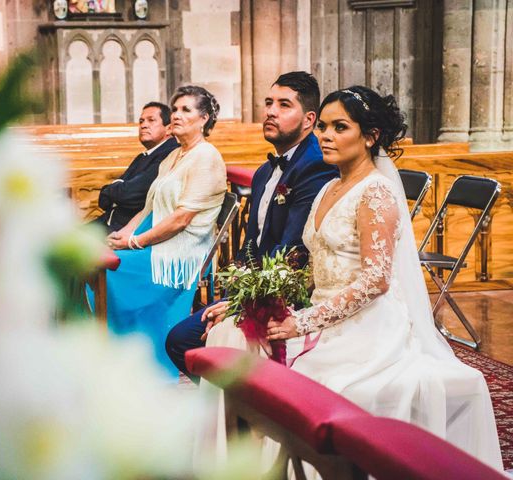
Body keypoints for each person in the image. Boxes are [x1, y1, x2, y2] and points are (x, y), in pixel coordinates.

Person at [206, 86, 503, 470]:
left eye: (340, 127)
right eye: (324, 127)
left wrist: (303, 322)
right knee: (234, 336)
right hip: (322, 312)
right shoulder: (330, 187)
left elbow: (376, 280)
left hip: (368, 326)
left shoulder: (375, 193)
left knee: (313, 385)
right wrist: (264, 302)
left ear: (370, 136)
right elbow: (314, 266)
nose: (325, 136)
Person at [166, 72, 339, 381]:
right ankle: (237, 415)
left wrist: (238, 305)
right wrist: (233, 294)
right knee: (183, 340)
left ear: (309, 119)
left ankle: (248, 416)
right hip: (255, 287)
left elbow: (294, 253)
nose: (271, 111)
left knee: (186, 342)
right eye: (269, 103)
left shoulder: (315, 167)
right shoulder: (263, 173)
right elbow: (251, 244)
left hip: (288, 294)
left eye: (284, 105)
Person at [88, 85, 227, 379]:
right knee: (94, 260)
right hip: (156, 239)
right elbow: (147, 209)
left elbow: (181, 219)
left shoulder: (206, 156)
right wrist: (121, 237)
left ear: (204, 119)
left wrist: (135, 243)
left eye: (186, 110)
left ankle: (135, 358)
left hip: (180, 252)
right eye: (175, 109)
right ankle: (114, 355)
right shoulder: (173, 157)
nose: (176, 115)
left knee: (106, 272)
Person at [96, 102, 179, 232]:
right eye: (141, 121)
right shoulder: (143, 156)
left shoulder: (169, 153)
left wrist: (114, 188)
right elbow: (103, 200)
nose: (143, 125)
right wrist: (118, 189)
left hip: (130, 230)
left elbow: (130, 194)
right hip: (110, 222)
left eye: (151, 120)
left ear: (169, 129)